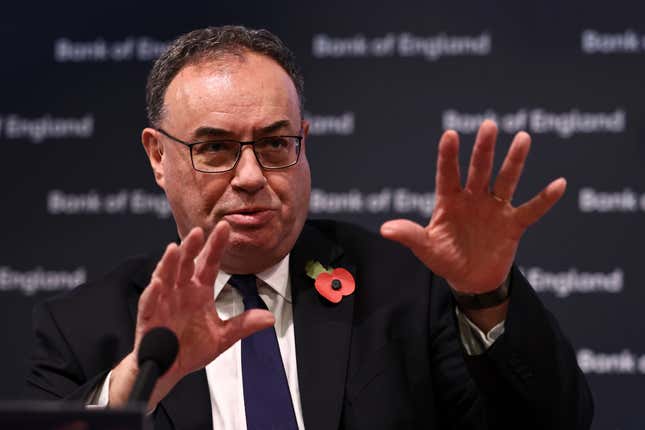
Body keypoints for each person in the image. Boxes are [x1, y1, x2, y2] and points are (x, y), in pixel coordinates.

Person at [26, 26, 593, 429]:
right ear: (157, 156)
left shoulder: (405, 289)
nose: (250, 176)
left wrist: (486, 297)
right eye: (216, 148)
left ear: (305, 141)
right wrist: (137, 389)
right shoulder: (84, 327)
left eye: (275, 143)